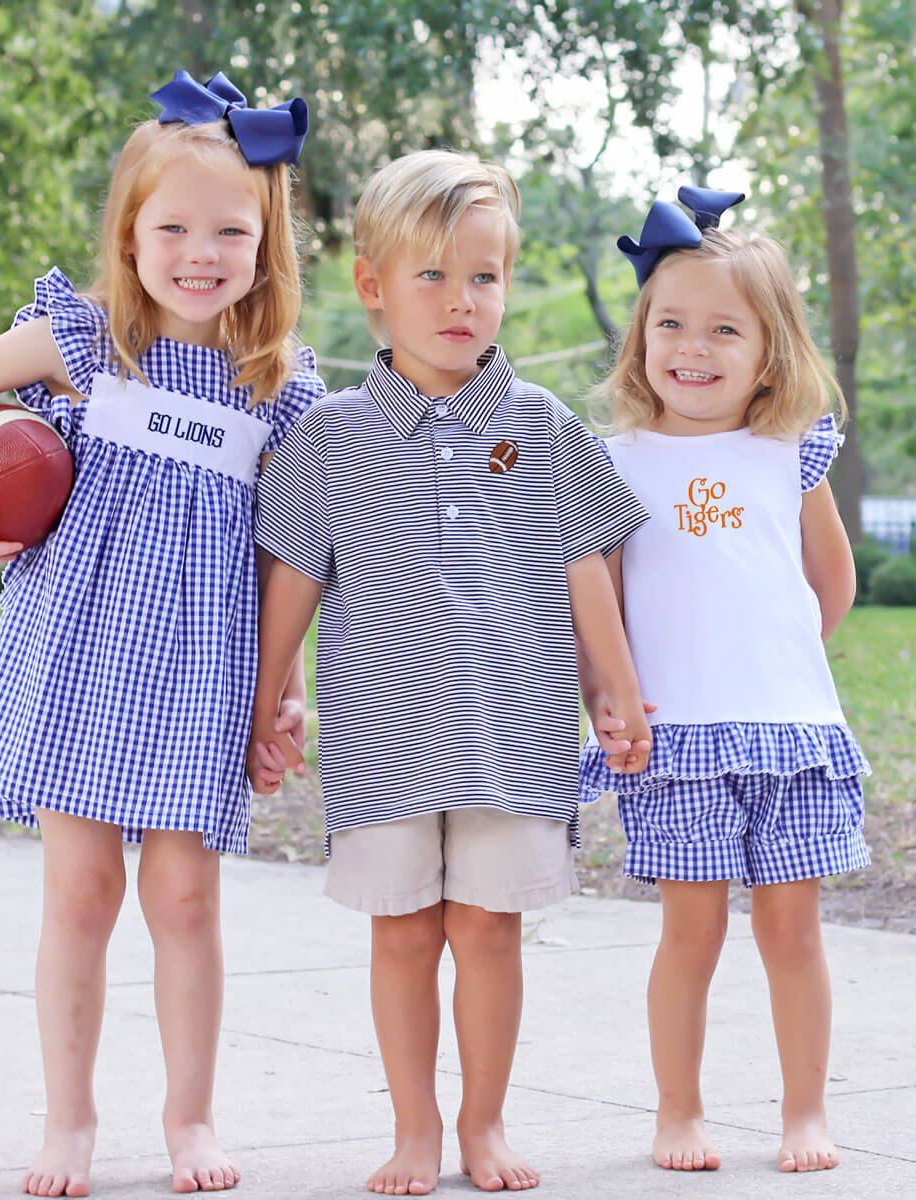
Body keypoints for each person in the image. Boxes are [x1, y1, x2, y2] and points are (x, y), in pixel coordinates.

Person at [0, 71, 324, 1198]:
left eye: (230, 230)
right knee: (79, 895)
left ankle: (189, 1120)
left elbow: (296, 559)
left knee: (186, 899)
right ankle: (69, 1122)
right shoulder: (83, 342)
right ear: (128, 236)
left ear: (267, 244)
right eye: (170, 226)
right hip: (77, 653)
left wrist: (284, 692)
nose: (199, 250)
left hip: (200, 671)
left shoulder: (279, 390)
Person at [246, 149, 651, 1196]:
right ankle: (414, 1127)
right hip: (384, 738)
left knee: (488, 931)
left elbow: (587, 568)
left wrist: (612, 688)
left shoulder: (545, 425)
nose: (461, 300)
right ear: (372, 288)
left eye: (484, 276)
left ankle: (483, 1121)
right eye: (431, 276)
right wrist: (266, 704)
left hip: (513, 732)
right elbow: (290, 583)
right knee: (404, 933)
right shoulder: (327, 439)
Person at [580, 186, 871, 1176]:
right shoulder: (613, 461)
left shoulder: (789, 453)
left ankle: (804, 1111)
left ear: (768, 352)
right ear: (641, 335)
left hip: (788, 730)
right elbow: (600, 606)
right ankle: (678, 1111)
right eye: (671, 324)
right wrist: (611, 700)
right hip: (675, 741)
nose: (691, 349)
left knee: (793, 929)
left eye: (721, 331)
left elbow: (829, 583)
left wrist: (775, 652)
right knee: (689, 933)